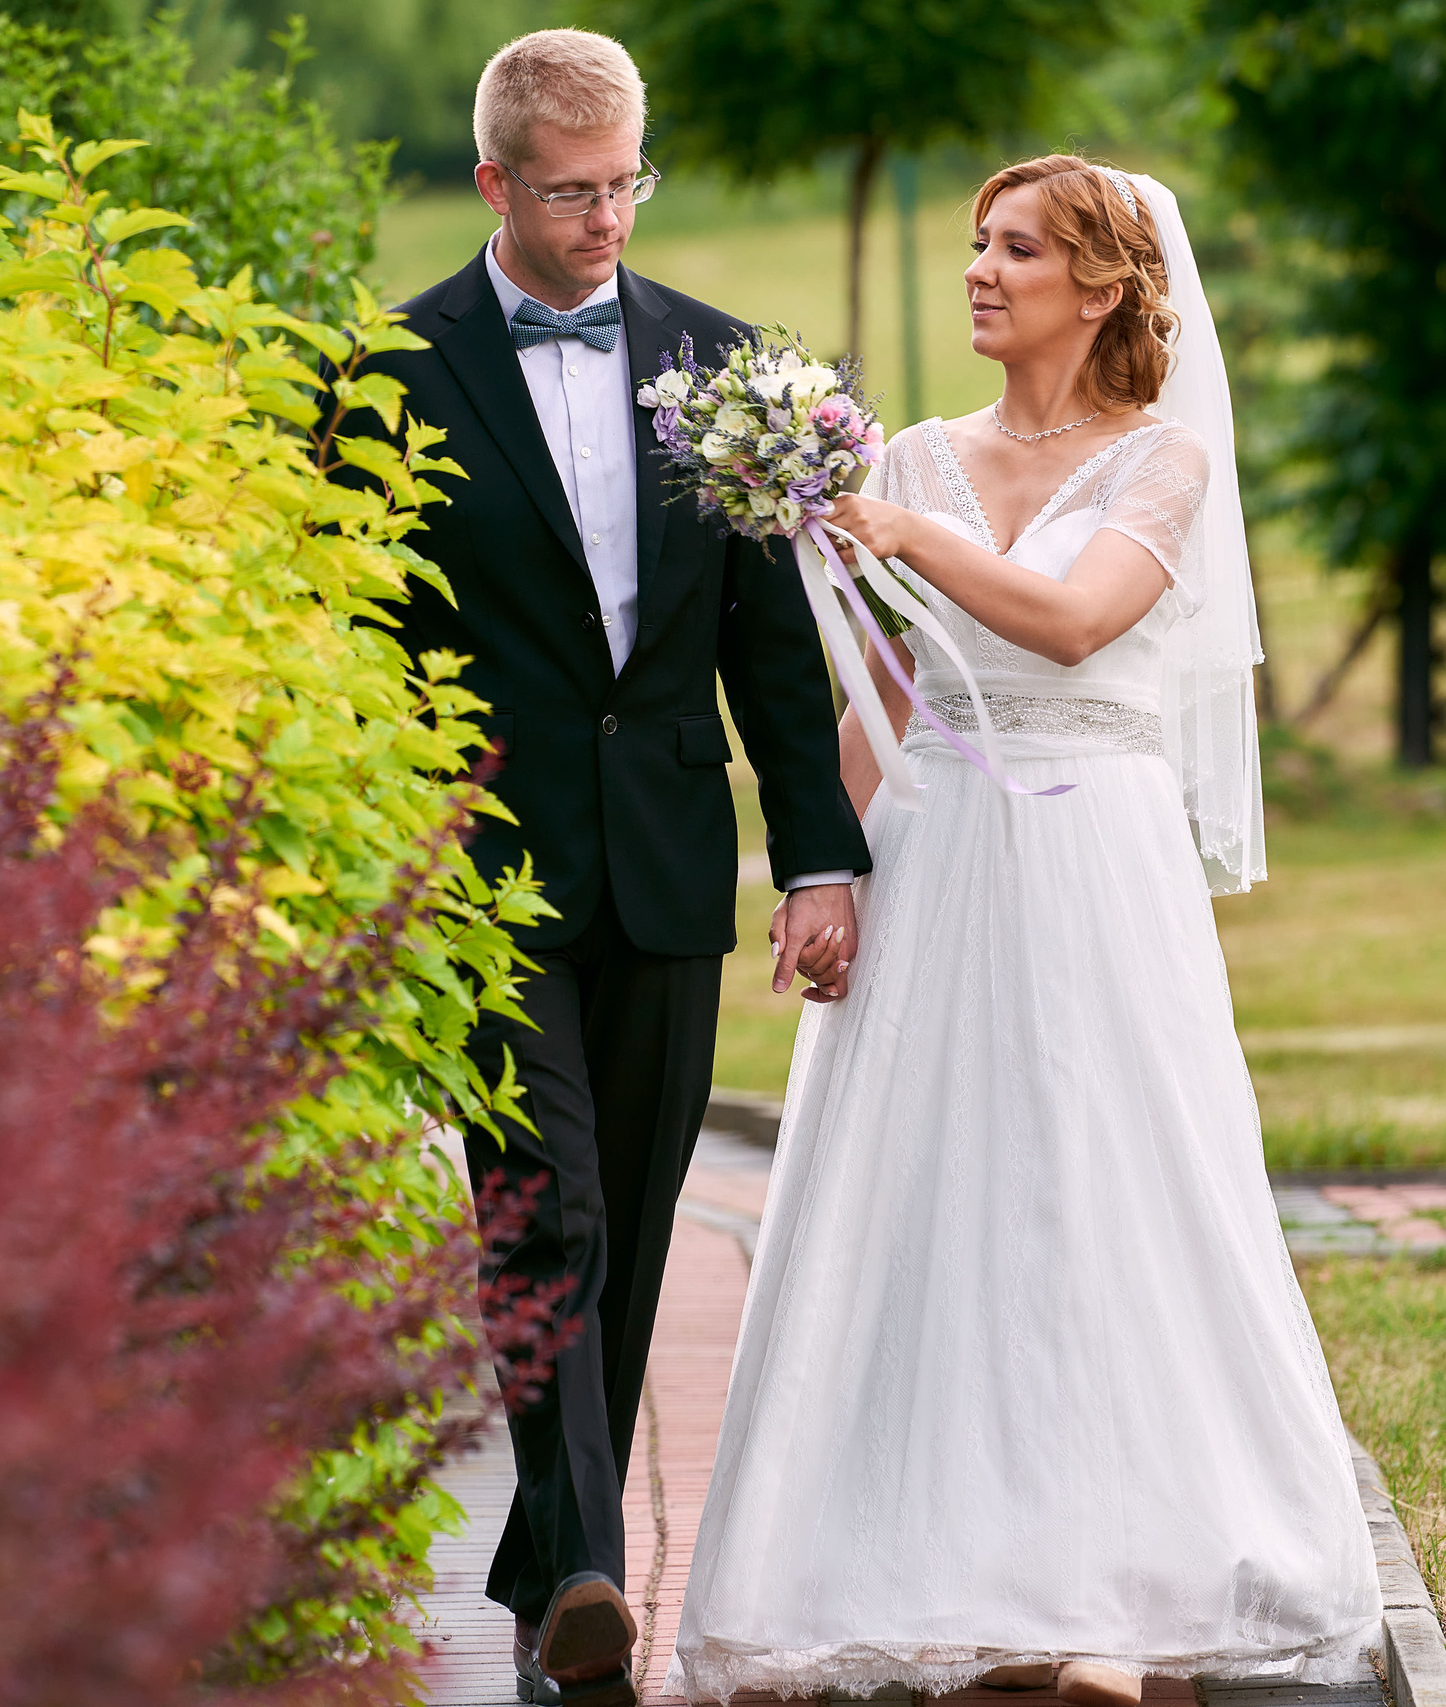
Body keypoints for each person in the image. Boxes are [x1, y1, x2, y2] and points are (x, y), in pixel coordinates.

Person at [665, 156, 1382, 1706]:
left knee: (1100, 1192)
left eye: (1018, 249)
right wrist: (824, 869)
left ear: (1106, 284)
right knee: (932, 1205)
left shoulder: (1159, 465)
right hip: (937, 852)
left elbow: (1071, 624)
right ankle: (958, 1581)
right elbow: (892, 693)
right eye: (976, 246)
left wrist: (905, 542)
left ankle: (1115, 1600)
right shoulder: (916, 452)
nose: (981, 271)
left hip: (1093, 856)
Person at [347, 29, 871, 1707]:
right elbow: (355, 641)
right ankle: (579, 1571)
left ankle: (546, 1549)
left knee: (633, 1218)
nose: (605, 220)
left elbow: (774, 654)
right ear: (494, 181)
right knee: (546, 1205)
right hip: (483, 873)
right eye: (570, 192)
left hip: (663, 867)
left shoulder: (725, 371)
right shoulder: (387, 374)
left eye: (626, 184)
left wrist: (816, 860)